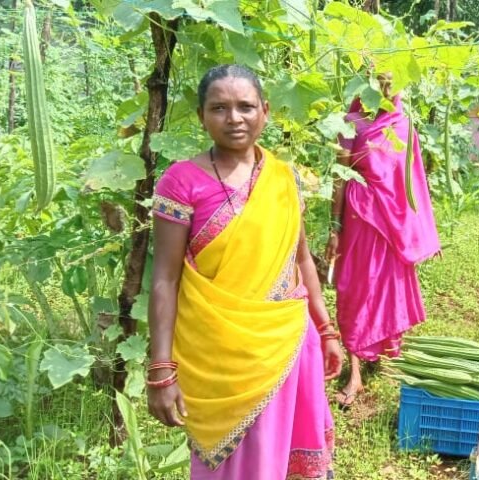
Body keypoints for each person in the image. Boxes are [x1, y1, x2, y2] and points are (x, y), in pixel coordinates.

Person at [146, 64, 342, 479]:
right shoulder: (180, 183)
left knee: (288, 454)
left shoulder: (283, 177)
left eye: (245, 107)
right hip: (219, 356)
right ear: (201, 116)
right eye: (219, 108)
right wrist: (161, 369)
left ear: (265, 112)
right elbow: (164, 279)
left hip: (288, 342)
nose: (234, 118)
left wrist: (325, 329)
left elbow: (301, 258)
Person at [326, 73, 440, 407]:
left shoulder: (403, 123)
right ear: (366, 84)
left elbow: (414, 181)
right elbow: (340, 173)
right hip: (361, 217)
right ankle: (356, 371)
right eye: (380, 81)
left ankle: (385, 351)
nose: (388, 88)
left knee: (388, 287)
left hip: (394, 224)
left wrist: (423, 232)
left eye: (394, 81)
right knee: (356, 288)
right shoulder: (352, 122)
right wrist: (335, 225)